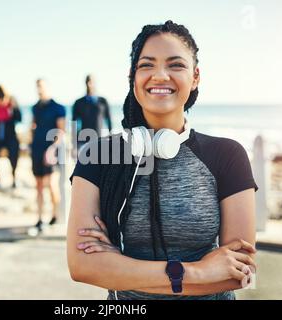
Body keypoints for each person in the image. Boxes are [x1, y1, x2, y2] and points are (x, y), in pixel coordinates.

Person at [67, 20, 259, 300]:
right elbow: (82, 266)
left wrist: (117, 269)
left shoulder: (227, 155)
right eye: (146, 65)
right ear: (133, 78)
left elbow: (239, 273)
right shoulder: (98, 156)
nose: (160, 75)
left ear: (195, 77)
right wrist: (199, 272)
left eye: (175, 65)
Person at [30, 79, 66, 230]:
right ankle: (39, 219)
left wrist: (52, 149)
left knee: (51, 185)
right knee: (38, 186)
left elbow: (61, 131)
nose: (39, 90)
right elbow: (33, 126)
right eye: (37, 87)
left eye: (41, 87)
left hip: (51, 150)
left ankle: (54, 216)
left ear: (48, 88)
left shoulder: (58, 108)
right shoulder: (35, 108)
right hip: (37, 149)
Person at [71, 75, 112, 156]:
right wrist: (74, 145)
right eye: (88, 82)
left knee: (100, 166)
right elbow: (74, 124)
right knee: (84, 167)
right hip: (83, 142)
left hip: (100, 141)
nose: (90, 84)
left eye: (92, 82)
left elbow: (109, 121)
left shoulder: (103, 101)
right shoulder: (79, 102)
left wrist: (111, 140)